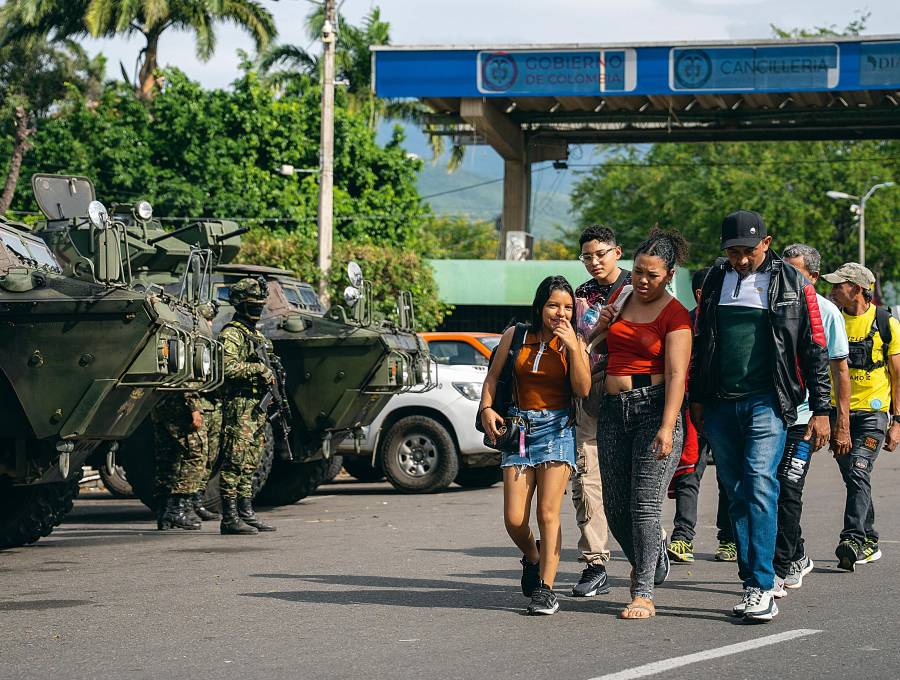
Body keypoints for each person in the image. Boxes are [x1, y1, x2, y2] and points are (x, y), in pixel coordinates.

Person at [690, 210, 831, 623]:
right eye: (732, 251)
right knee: (735, 492)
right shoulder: (715, 279)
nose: (740, 259)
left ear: (766, 243)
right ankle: (754, 578)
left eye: (748, 250)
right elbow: (702, 342)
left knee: (759, 482)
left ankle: (760, 585)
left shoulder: (792, 284)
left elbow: (814, 349)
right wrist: (697, 398)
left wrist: (823, 410)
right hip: (719, 403)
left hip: (768, 401)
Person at [589, 228, 692, 619]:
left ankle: (643, 591)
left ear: (668, 274)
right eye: (638, 272)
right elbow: (598, 344)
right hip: (614, 411)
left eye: (652, 274)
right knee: (615, 509)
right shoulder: (623, 298)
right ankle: (652, 554)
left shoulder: (675, 314)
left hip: (654, 411)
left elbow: (678, 375)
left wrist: (667, 427)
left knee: (644, 507)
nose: (643, 280)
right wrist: (601, 326)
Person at [479, 275, 590, 615]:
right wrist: (486, 408)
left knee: (548, 513)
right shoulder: (517, 335)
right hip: (519, 430)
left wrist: (572, 346)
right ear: (540, 307)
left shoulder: (576, 341)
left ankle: (546, 588)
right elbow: (493, 376)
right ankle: (532, 555)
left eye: (568, 307)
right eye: (554, 305)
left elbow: (583, 390)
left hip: (557, 430)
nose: (561, 313)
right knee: (514, 519)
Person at [772, 245, 851, 591]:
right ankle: (798, 553)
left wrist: (837, 422)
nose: (785, 276)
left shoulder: (827, 312)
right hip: (771, 415)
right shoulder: (771, 304)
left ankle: (784, 564)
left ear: (813, 277)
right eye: (782, 269)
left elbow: (839, 372)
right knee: (767, 489)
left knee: (788, 488)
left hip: (806, 419)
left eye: (795, 271)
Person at [823, 262, 900, 571]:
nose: (831, 289)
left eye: (838, 285)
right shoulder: (832, 319)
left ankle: (852, 539)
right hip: (837, 414)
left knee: (858, 470)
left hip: (873, 414)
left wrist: (898, 422)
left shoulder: (885, 323)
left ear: (856, 288)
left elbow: (898, 376)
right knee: (855, 477)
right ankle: (870, 538)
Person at [570, 225, 631, 597]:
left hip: (631, 396)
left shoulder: (639, 287)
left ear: (617, 252)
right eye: (587, 256)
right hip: (588, 396)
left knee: (628, 480)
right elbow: (578, 342)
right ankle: (595, 563)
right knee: (586, 479)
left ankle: (649, 542)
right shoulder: (581, 295)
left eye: (600, 254)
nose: (594, 262)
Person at [666, 267, 737, 565]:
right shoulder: (684, 323)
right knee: (688, 473)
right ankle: (682, 538)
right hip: (691, 410)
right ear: (700, 294)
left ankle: (729, 540)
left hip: (725, 412)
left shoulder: (733, 321)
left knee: (727, 477)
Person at [218, 276, 278, 535]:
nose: (258, 311)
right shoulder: (231, 334)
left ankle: (246, 511)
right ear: (240, 304)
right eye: (253, 306)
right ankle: (229, 518)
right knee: (234, 460)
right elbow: (226, 367)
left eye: (260, 306)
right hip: (240, 405)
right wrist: (257, 368)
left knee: (251, 461)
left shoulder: (258, 336)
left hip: (257, 407)